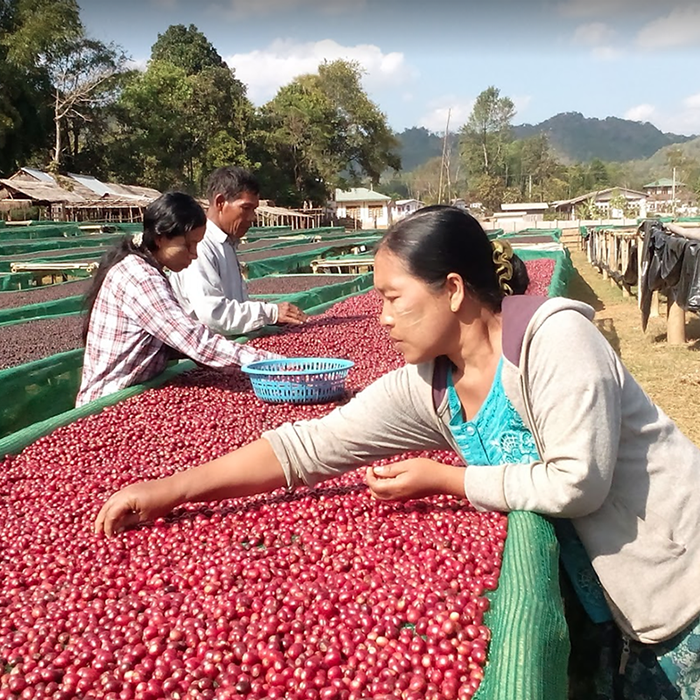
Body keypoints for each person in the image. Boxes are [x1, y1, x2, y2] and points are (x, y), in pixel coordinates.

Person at [95, 205, 700, 698]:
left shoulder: (553, 341)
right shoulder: (432, 383)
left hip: (678, 593)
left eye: (392, 297)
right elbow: (311, 445)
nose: (380, 317)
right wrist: (172, 489)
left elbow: (577, 483)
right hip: (608, 610)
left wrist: (446, 480)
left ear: (454, 290)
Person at [77, 191, 277, 407]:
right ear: (161, 238)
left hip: (133, 395)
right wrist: (270, 364)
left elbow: (175, 341)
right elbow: (194, 341)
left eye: (197, 245)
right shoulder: (140, 277)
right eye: (188, 245)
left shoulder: (148, 269)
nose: (194, 254)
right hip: (106, 404)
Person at [169, 166, 307, 335]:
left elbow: (235, 306)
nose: (252, 218)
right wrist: (271, 313)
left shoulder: (227, 243)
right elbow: (212, 314)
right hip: (204, 354)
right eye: (246, 208)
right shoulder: (200, 246)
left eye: (254, 210)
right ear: (220, 203)